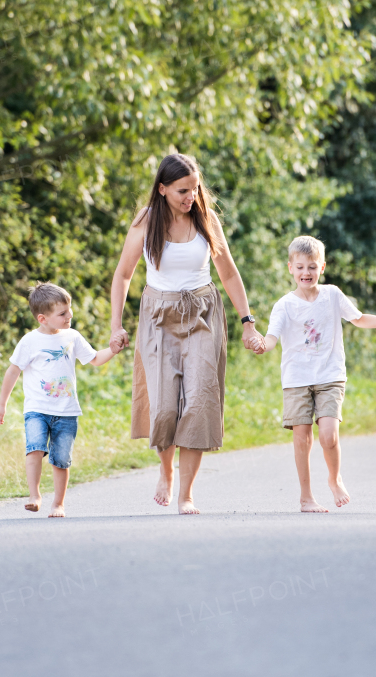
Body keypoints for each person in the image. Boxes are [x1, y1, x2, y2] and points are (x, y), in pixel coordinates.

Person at [108, 153, 264, 514]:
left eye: (194, 189)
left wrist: (247, 321)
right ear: (161, 189)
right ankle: (166, 472)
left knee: (199, 402)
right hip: (158, 315)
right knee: (163, 406)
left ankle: (187, 493)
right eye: (182, 190)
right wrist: (116, 326)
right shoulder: (146, 223)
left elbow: (228, 273)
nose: (190, 196)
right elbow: (122, 275)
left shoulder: (206, 220)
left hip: (203, 315)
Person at [255, 235, 376, 512]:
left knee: (328, 436)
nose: (306, 273)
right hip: (296, 379)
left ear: (322, 267)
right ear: (290, 267)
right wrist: (261, 345)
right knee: (301, 436)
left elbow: (359, 319)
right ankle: (306, 497)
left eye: (312, 267)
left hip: (330, 376)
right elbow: (272, 337)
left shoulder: (332, 295)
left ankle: (334, 478)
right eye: (300, 267)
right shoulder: (284, 305)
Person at [0, 282, 120, 518]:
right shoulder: (30, 341)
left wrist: (112, 349)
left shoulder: (72, 336)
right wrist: (2, 404)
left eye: (69, 309)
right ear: (43, 318)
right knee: (34, 449)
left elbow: (94, 359)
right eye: (62, 313)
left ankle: (58, 504)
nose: (69, 316)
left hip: (66, 410)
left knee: (61, 459)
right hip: (37, 409)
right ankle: (34, 496)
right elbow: (13, 371)